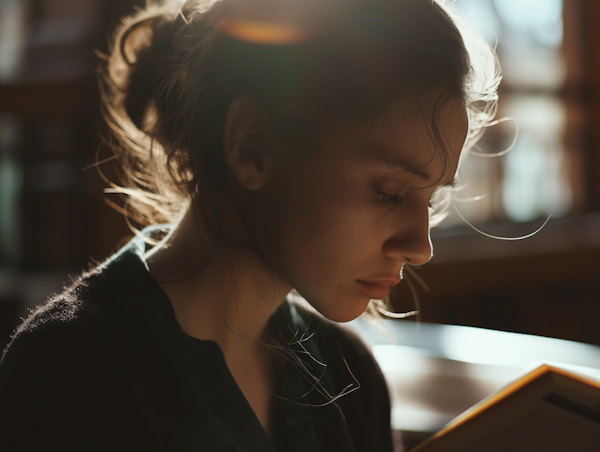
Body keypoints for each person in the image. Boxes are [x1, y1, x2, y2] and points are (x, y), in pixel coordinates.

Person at [0, 0, 499, 450]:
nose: (420, 247)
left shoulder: (348, 375)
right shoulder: (68, 370)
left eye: (430, 199)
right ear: (253, 148)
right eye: (388, 193)